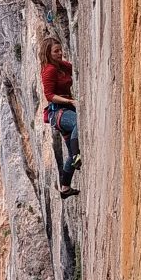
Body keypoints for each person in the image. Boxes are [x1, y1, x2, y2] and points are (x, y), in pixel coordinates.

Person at [40, 37, 81, 198]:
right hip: (58, 112)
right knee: (78, 123)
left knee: (70, 155)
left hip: (65, 110)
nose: (60, 53)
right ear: (48, 54)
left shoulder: (61, 66)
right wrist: (70, 100)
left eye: (60, 49)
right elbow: (49, 95)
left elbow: (74, 68)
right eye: (56, 51)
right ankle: (77, 154)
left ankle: (65, 188)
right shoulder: (49, 70)